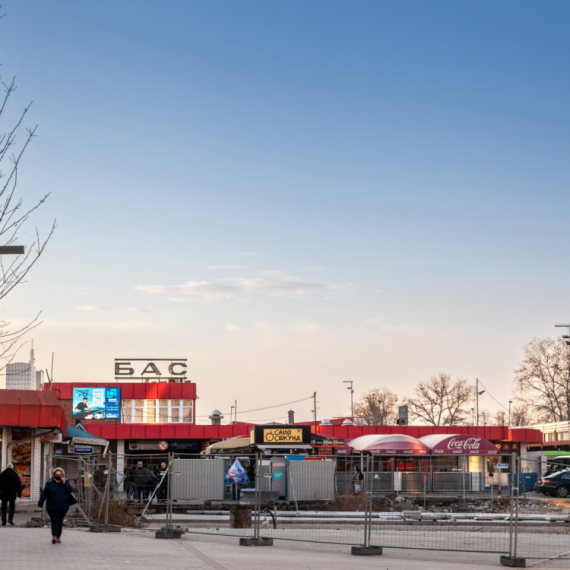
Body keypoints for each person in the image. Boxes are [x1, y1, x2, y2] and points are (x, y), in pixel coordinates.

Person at [38, 467, 74, 544]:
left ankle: (58, 536)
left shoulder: (66, 482)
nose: (58, 476)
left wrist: (64, 482)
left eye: (60, 475)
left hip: (63, 506)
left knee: (60, 521)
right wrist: (40, 503)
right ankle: (54, 535)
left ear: (62, 475)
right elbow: (44, 494)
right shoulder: (50, 483)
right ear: (53, 475)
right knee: (55, 520)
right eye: (56, 474)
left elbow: (71, 490)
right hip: (52, 506)